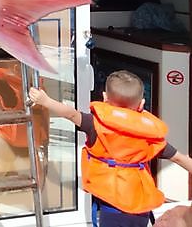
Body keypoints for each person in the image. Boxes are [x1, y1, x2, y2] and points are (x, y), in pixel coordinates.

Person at [29, 70, 192, 227]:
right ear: (141, 104)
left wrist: (46, 101)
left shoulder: (95, 125)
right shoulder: (149, 135)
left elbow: (71, 114)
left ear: (104, 98)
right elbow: (179, 158)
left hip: (112, 207)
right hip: (140, 208)